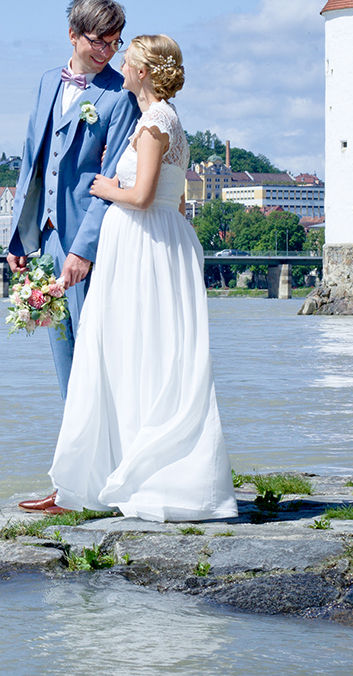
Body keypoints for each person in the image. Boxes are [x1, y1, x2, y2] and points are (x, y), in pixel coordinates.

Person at [48, 35, 237, 522]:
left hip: (142, 241)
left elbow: (145, 195)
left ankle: (132, 472)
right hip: (153, 243)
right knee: (148, 352)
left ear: (145, 73)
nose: (121, 67)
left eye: (129, 62)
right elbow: (174, 203)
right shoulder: (168, 120)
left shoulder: (154, 123)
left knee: (133, 350)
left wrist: (108, 187)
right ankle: (136, 468)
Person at [6, 0, 140, 515]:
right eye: (98, 41)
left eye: (114, 41)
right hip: (46, 241)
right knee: (64, 362)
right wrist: (21, 239)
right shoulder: (45, 83)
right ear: (72, 36)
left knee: (95, 362)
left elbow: (112, 180)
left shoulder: (120, 95)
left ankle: (102, 484)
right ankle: (71, 484)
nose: (108, 50)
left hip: (92, 244)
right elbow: (30, 162)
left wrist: (84, 249)